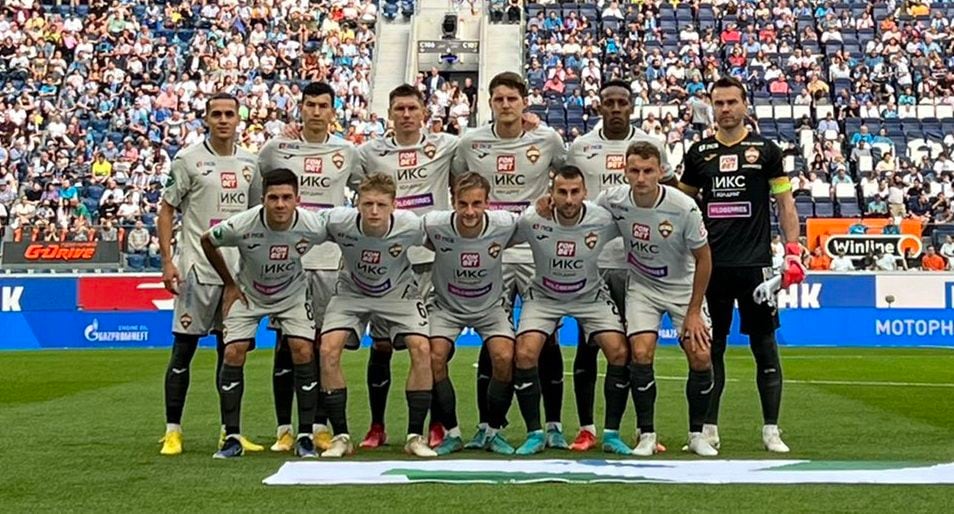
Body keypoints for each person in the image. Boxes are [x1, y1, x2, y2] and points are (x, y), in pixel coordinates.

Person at [678, 76, 804, 453]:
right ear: (712, 107)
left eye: (732, 102)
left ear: (745, 105)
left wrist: (794, 251)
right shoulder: (698, 154)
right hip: (710, 268)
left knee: (765, 347)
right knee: (710, 349)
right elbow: (683, 207)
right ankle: (707, 429)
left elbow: (784, 204)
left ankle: (771, 430)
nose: (726, 109)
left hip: (756, 267)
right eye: (719, 103)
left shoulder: (766, 151)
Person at [454, 71, 568, 450]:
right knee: (493, 341)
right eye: (499, 99)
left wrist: (551, 200)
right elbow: (459, 186)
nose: (505, 105)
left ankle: (553, 425)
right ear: (490, 103)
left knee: (547, 340)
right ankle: (490, 425)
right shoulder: (471, 143)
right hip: (492, 254)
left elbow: (569, 178)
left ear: (524, 102)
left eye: (512, 99)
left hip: (537, 252)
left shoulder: (547, 139)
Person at [563, 79, 678, 451]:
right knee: (588, 348)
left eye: (621, 102)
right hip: (594, 263)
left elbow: (672, 196)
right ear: (600, 106)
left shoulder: (650, 145)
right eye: (608, 102)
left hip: (639, 266)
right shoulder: (581, 147)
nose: (615, 108)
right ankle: (587, 427)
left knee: (634, 351)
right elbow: (566, 192)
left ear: (631, 107)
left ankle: (639, 430)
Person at [255, 82, 362, 453]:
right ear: (299, 108)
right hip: (285, 263)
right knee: (286, 344)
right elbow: (259, 194)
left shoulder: (347, 151)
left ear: (333, 111)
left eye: (323, 106)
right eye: (310, 105)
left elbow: (368, 193)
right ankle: (285, 428)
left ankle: (317, 425)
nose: (316, 111)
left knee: (321, 346)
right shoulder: (276, 149)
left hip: (330, 262)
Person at [354, 84, 459, 449]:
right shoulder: (369, 152)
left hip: (431, 262)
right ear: (389, 112)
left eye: (412, 108)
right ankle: (377, 425)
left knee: (429, 348)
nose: (406, 114)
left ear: (424, 112)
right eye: (399, 108)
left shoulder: (446, 146)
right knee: (381, 346)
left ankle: (434, 425)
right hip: (388, 264)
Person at [157, 93, 263, 456]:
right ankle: (173, 430)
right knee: (183, 349)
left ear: (238, 119)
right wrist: (168, 261)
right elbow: (167, 210)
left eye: (229, 114)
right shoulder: (188, 160)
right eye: (216, 114)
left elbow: (257, 219)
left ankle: (229, 432)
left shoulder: (251, 163)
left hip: (236, 274)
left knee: (230, 352)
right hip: (196, 272)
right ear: (206, 119)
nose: (222, 120)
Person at [597, 141, 716, 456]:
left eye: (648, 171)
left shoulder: (683, 207)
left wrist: (693, 312)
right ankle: (646, 434)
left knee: (700, 354)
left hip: (683, 286)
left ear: (661, 171)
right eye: (634, 171)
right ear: (624, 171)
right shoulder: (614, 200)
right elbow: (585, 218)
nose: (641, 178)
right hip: (643, 286)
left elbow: (704, 259)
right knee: (641, 352)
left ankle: (697, 435)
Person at [200, 169, 327, 459]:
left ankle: (305, 436)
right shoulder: (243, 224)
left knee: (303, 349)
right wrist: (229, 284)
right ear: (262, 199)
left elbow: (346, 236)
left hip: (292, 294)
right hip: (249, 294)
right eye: (273, 198)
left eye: (286, 198)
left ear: (298, 199)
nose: (280, 204)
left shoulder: (313, 225)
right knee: (233, 352)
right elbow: (207, 240)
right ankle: (231, 437)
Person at [512, 165, 631, 456]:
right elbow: (497, 236)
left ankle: (612, 434)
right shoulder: (532, 219)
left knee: (619, 351)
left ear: (585, 193)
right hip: (544, 296)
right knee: (525, 353)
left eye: (574, 192)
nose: (568, 199)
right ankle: (535, 434)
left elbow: (637, 221)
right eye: (562, 192)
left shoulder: (602, 219)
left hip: (590, 296)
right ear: (551, 193)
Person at [317, 174, 436, 458]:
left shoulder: (411, 225)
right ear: (356, 203)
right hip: (351, 293)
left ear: (394, 205)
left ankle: (415, 436)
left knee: (422, 349)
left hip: (399, 294)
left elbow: (447, 235)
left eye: (381, 205)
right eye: (367, 203)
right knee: (327, 350)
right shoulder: (337, 220)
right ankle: (341, 437)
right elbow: (298, 224)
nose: (373, 211)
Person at [423, 172, 520, 455]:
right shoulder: (434, 224)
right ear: (453, 202)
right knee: (434, 357)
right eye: (463, 204)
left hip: (490, 307)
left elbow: (536, 223)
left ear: (488, 202)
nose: (470, 211)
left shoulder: (505, 224)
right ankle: (451, 432)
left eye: (477, 204)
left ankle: (491, 430)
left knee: (504, 356)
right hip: (446, 306)